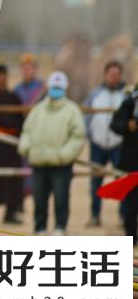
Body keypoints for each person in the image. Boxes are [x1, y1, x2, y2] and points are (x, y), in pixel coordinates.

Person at [18, 71, 85, 235]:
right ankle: (39, 228)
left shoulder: (72, 111)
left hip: (61, 164)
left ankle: (60, 227)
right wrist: (26, 148)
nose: (55, 90)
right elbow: (26, 131)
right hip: (39, 162)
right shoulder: (38, 110)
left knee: (61, 198)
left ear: (64, 88)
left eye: (59, 87)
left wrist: (64, 155)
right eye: (53, 87)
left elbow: (78, 136)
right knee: (39, 199)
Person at [85, 60, 128, 227]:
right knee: (95, 182)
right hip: (97, 145)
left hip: (119, 145)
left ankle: (123, 217)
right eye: (111, 74)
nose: (113, 77)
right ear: (105, 75)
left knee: (122, 182)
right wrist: (89, 134)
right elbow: (87, 116)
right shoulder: (95, 94)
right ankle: (95, 216)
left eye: (116, 75)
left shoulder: (126, 95)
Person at [0, 64, 24, 224]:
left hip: (11, 146)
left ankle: (11, 213)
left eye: (4, 75)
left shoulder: (14, 97)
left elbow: (21, 120)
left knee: (12, 181)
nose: (1, 79)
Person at [109, 86, 138, 245]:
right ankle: (131, 237)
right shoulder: (129, 102)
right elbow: (114, 124)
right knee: (131, 204)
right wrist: (127, 126)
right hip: (131, 163)